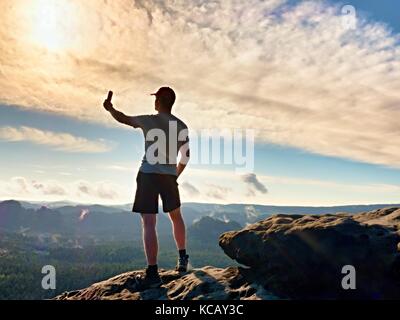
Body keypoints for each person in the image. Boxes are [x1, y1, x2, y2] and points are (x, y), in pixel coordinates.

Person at [103, 87, 190, 290]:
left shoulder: (149, 120)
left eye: (156, 98)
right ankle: (183, 257)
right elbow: (185, 157)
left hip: (148, 174)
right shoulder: (182, 126)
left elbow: (123, 118)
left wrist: (109, 109)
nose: (154, 102)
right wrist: (174, 174)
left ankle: (152, 273)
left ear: (159, 101)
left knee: (149, 222)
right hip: (168, 175)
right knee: (176, 216)